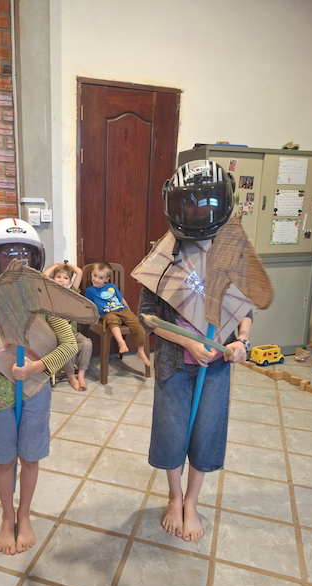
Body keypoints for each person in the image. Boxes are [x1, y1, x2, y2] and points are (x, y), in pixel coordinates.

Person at [138, 160, 253, 543]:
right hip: (174, 365)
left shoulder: (232, 252)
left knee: (205, 434)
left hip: (216, 368)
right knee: (171, 434)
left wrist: (241, 343)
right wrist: (188, 342)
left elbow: (244, 309)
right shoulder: (164, 255)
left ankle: (191, 501)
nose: (199, 211)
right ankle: (174, 497)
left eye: (207, 203)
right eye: (190, 203)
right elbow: (146, 316)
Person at [0, 218, 77, 555]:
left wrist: (39, 366)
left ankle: (24, 515)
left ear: (35, 259)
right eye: (5, 255)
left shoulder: (45, 301)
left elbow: (69, 345)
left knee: (30, 458)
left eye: (22, 255)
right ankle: (7, 516)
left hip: (35, 393)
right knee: (5, 461)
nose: (14, 263)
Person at [85, 262, 151, 368]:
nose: (96, 279)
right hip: (107, 313)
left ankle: (140, 351)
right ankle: (121, 342)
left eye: (101, 278)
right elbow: (88, 305)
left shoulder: (112, 287)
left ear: (107, 279)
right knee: (112, 321)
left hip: (122, 310)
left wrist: (129, 311)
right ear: (91, 274)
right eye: (95, 276)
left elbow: (121, 300)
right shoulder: (90, 291)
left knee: (139, 325)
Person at [43, 261, 92, 391]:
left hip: (73, 332)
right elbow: (43, 277)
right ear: (53, 279)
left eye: (65, 278)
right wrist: (55, 266)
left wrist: (68, 265)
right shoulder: (50, 292)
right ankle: (71, 377)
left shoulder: (71, 293)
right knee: (68, 347)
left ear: (70, 282)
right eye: (58, 276)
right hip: (58, 335)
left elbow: (79, 272)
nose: (61, 280)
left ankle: (81, 374)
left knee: (87, 343)